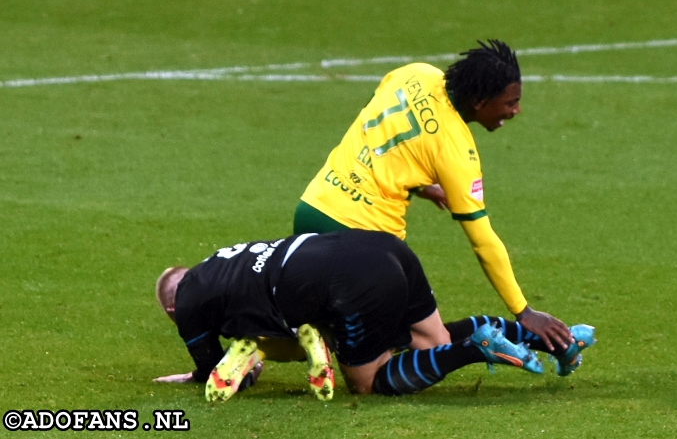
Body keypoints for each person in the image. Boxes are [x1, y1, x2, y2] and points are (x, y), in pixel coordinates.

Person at [294, 40, 571, 351]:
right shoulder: (456, 150)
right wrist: (523, 311)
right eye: (510, 102)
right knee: (429, 342)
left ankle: (261, 347)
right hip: (367, 239)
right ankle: (322, 340)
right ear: (480, 101)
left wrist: (421, 185)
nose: (516, 110)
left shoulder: (416, 74)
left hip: (313, 208)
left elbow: (381, 133)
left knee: (340, 314)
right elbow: (482, 240)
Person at [153, 230, 595, 398]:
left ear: (172, 308)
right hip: (381, 247)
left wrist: (209, 374)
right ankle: (558, 339)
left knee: (366, 380)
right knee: (430, 340)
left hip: (348, 280)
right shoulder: (220, 261)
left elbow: (219, 373)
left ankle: (476, 350)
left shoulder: (187, 299)